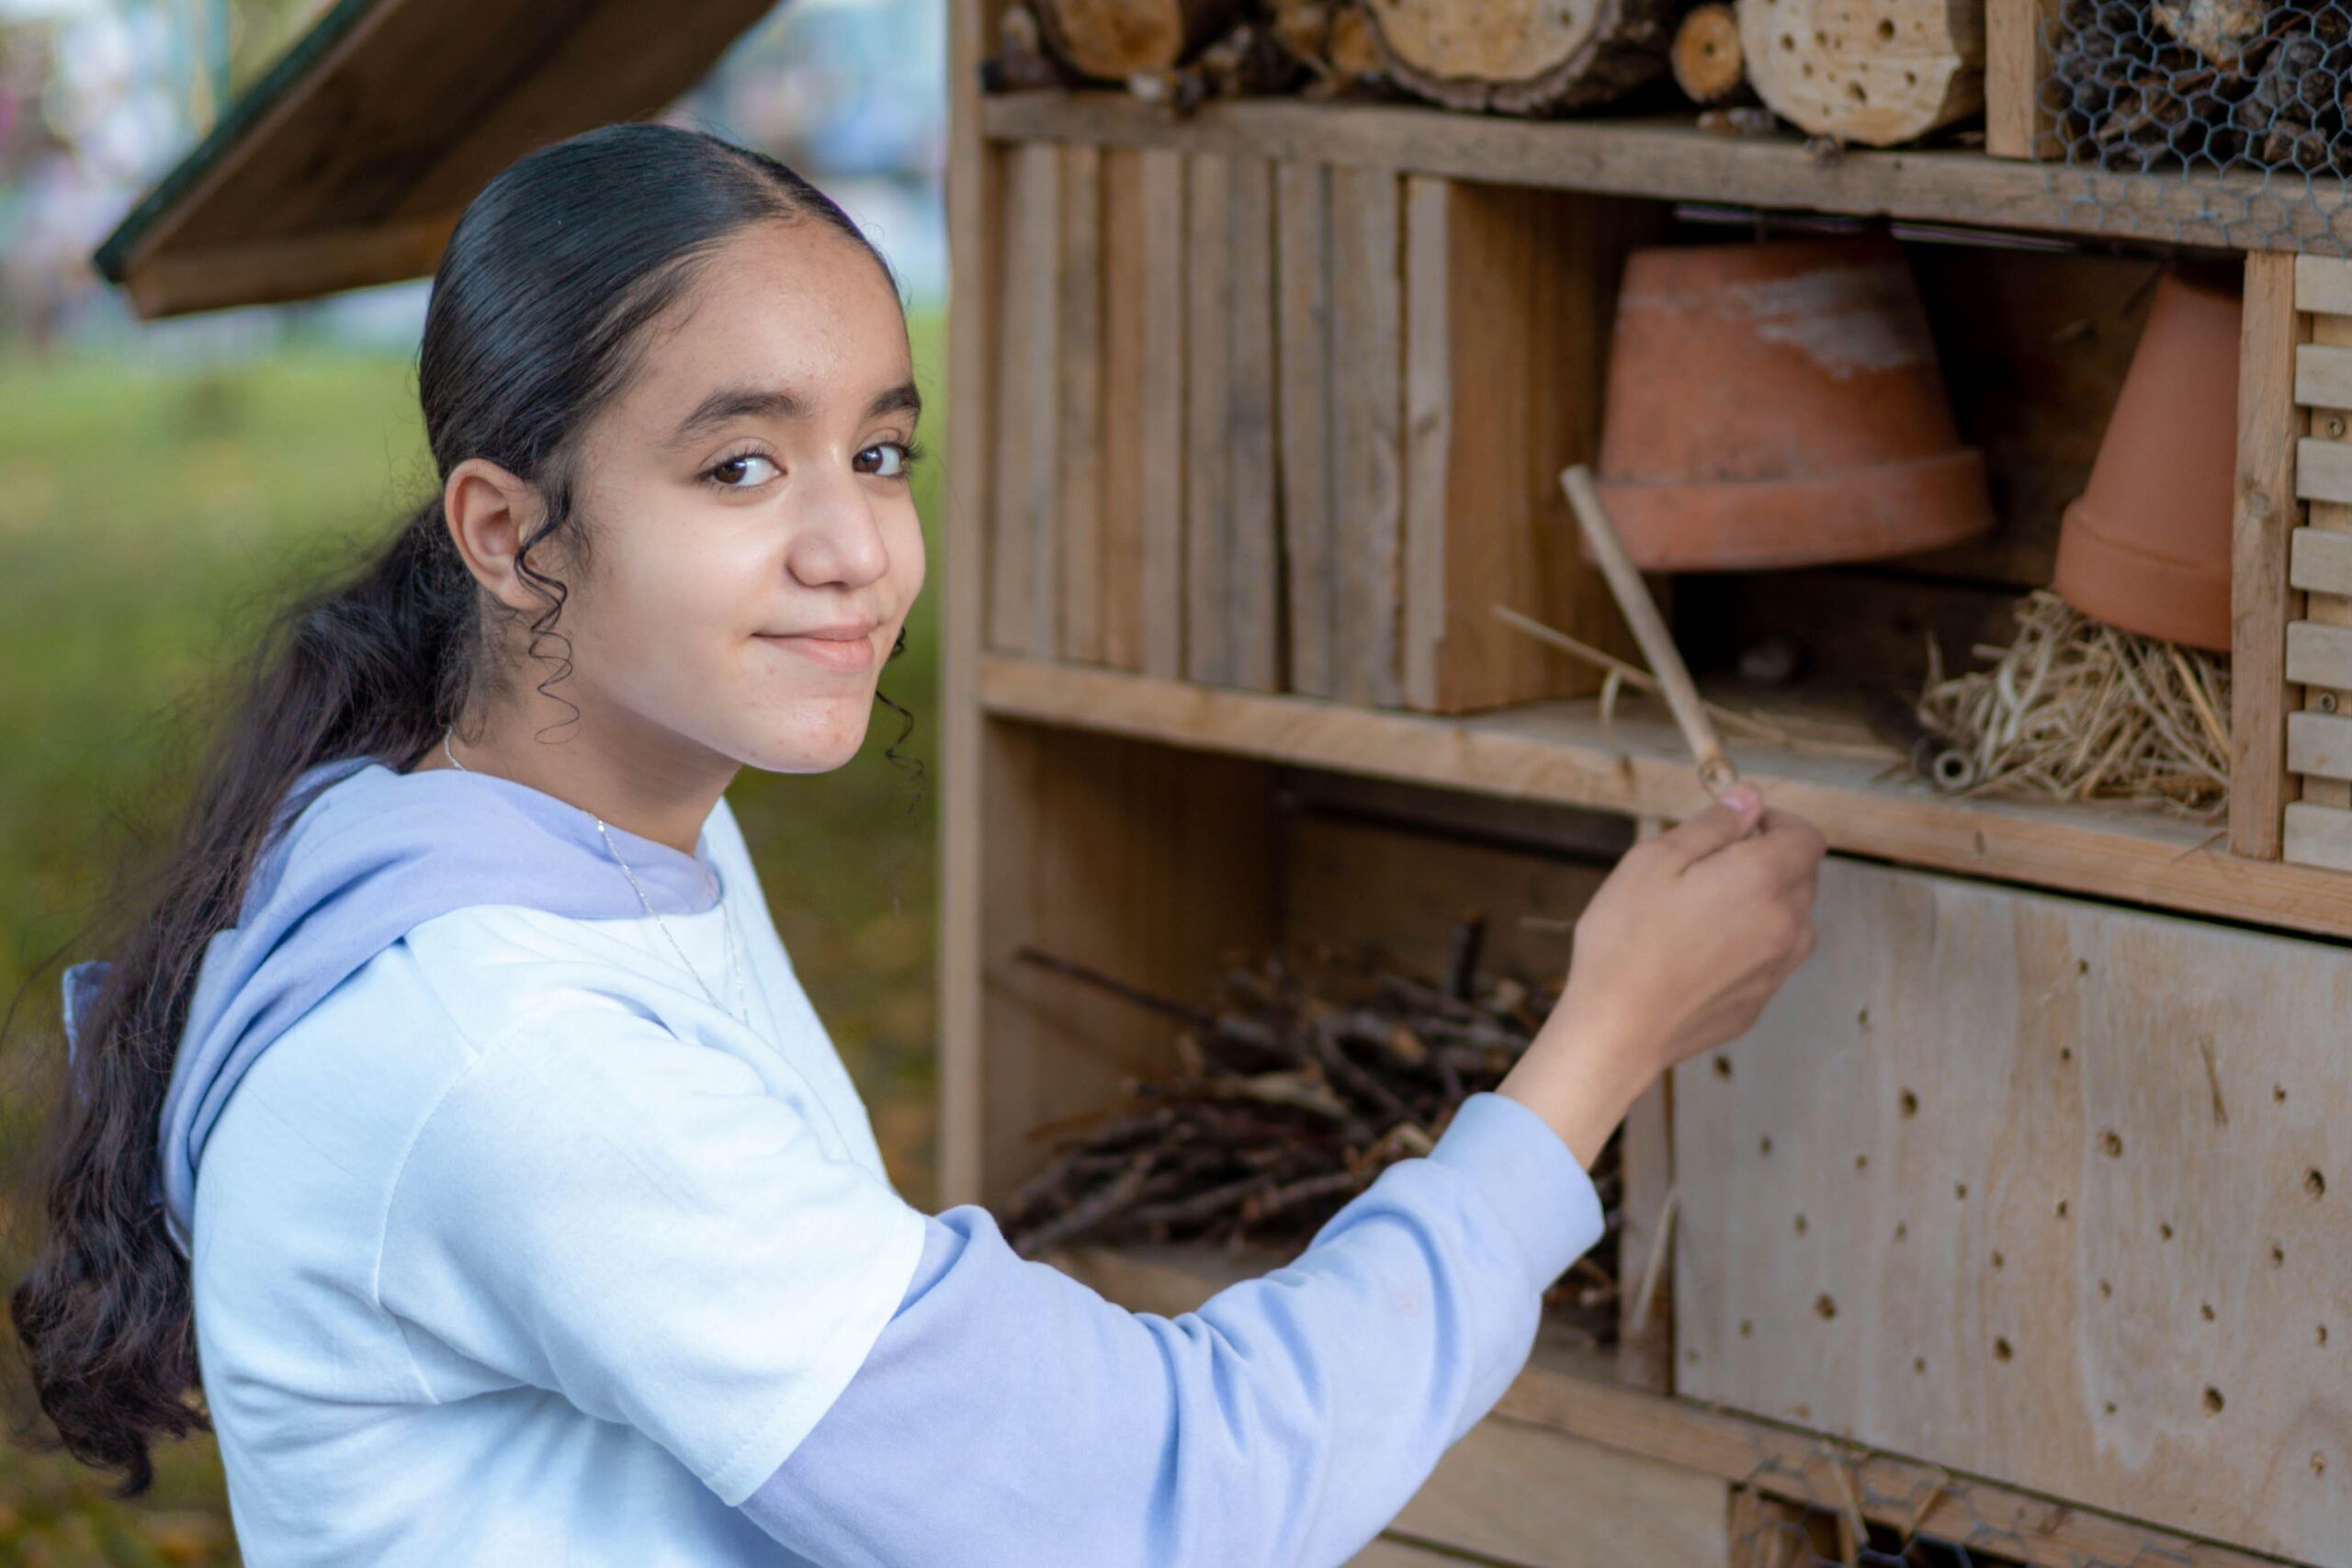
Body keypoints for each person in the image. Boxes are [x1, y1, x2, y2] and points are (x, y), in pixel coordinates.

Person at [8, 122, 1826, 1567]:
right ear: (507, 530)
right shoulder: (514, 1050)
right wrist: (1596, 1050)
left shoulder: (540, 829)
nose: (853, 551)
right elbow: (1156, 1502)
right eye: (739, 467)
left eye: (879, 453)